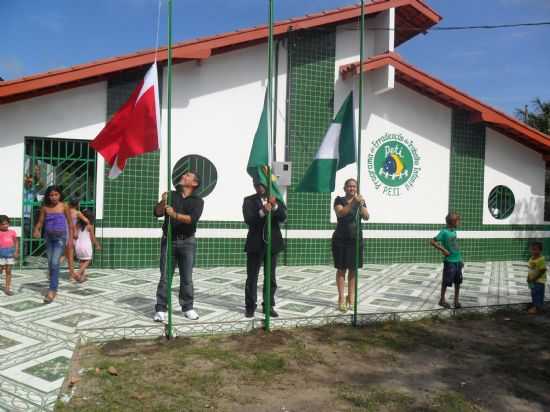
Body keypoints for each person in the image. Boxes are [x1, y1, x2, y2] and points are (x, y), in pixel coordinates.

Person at [153, 172, 204, 322]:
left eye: (188, 175)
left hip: (188, 242)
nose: (184, 176)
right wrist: (163, 201)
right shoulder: (171, 195)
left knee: (187, 278)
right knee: (165, 277)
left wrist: (174, 214)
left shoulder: (197, 201)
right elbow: (157, 212)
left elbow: (191, 219)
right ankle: (161, 308)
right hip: (169, 240)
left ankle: (188, 307)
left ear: (194, 183)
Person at [243, 180, 287, 318]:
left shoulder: (277, 199)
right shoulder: (249, 200)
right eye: (256, 185)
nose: (259, 187)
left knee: (271, 277)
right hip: (255, 244)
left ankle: (268, 305)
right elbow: (248, 219)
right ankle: (250, 306)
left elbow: (283, 217)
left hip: (272, 244)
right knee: (252, 277)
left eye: (261, 185)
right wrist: (262, 211)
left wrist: (274, 207)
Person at [332, 178, 369, 313]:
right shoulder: (339, 200)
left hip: (355, 240)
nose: (351, 189)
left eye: (354, 187)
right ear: (345, 188)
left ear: (356, 188)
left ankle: (351, 297)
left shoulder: (359, 202)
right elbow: (340, 213)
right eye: (349, 186)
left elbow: (366, 217)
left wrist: (361, 204)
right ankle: (341, 298)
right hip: (341, 240)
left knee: (353, 270)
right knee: (341, 269)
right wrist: (353, 203)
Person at [33, 186, 74, 303]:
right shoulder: (45, 208)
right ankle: (53, 281)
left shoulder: (64, 206)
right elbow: (40, 221)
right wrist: (36, 229)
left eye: (56, 194)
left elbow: (70, 223)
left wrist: (71, 238)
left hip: (60, 237)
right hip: (48, 237)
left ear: (60, 195)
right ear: (48, 196)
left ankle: (52, 290)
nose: (54, 197)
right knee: (51, 263)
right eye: (51, 195)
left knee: (55, 262)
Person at [431, 212, 463, 309]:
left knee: (458, 281)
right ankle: (442, 300)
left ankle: (456, 301)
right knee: (446, 281)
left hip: (457, 261)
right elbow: (432, 241)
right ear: (453, 222)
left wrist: (460, 260)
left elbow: (455, 246)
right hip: (449, 261)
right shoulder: (444, 232)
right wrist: (443, 250)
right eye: (458, 221)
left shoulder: (454, 231)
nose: (459, 223)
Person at [65, 198, 90, 281]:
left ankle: (55, 270)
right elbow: (86, 220)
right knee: (72, 257)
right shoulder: (77, 213)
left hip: (65, 235)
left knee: (67, 256)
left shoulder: (66, 212)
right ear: (77, 204)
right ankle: (73, 276)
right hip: (73, 236)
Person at [74, 210, 101, 283]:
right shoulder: (90, 226)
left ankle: (82, 277)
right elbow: (92, 237)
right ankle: (78, 273)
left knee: (82, 260)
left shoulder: (77, 224)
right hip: (86, 245)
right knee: (88, 260)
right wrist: (97, 245)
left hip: (78, 245)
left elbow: (75, 235)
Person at [0, 215, 19, 296]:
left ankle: (7, 288)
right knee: (0, 269)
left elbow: (16, 242)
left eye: (7, 224)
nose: (5, 225)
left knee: (8, 271)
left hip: (10, 253)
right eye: (3, 224)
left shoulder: (12, 232)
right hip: (1, 254)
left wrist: (16, 251)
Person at [527, 241, 546, 315]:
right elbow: (530, 269)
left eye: (535, 249)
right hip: (532, 280)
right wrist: (528, 278)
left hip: (539, 281)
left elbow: (542, 270)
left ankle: (536, 308)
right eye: (532, 249)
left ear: (540, 250)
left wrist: (534, 279)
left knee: (537, 294)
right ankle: (538, 307)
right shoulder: (531, 258)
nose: (533, 251)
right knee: (534, 293)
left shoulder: (541, 259)